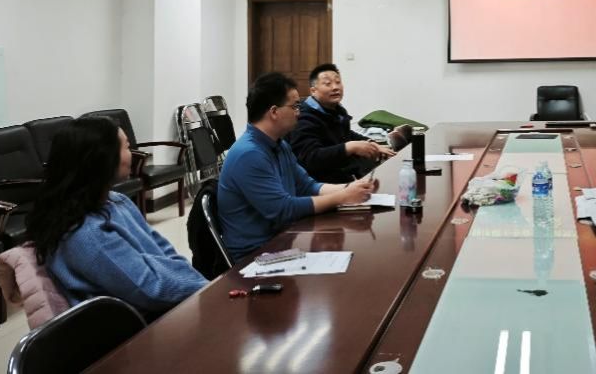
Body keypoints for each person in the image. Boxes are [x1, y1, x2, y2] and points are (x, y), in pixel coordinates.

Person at [25, 117, 206, 320]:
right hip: (139, 325)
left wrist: (196, 282)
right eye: (127, 147)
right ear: (103, 159)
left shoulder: (117, 201)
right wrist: (203, 288)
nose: (134, 154)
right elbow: (150, 288)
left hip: (168, 304)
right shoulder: (86, 233)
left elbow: (163, 250)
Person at [218, 71, 374, 262]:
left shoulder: (279, 145)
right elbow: (283, 210)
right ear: (274, 112)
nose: (299, 112)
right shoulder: (248, 154)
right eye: (295, 106)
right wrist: (342, 197)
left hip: (282, 241)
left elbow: (307, 186)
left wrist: (351, 188)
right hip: (256, 256)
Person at [287, 63, 396, 183]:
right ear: (313, 91)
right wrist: (349, 147)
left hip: (343, 174)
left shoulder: (336, 110)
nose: (335, 87)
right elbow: (310, 158)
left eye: (338, 82)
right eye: (327, 84)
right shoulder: (304, 117)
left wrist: (371, 143)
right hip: (318, 183)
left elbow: (346, 133)